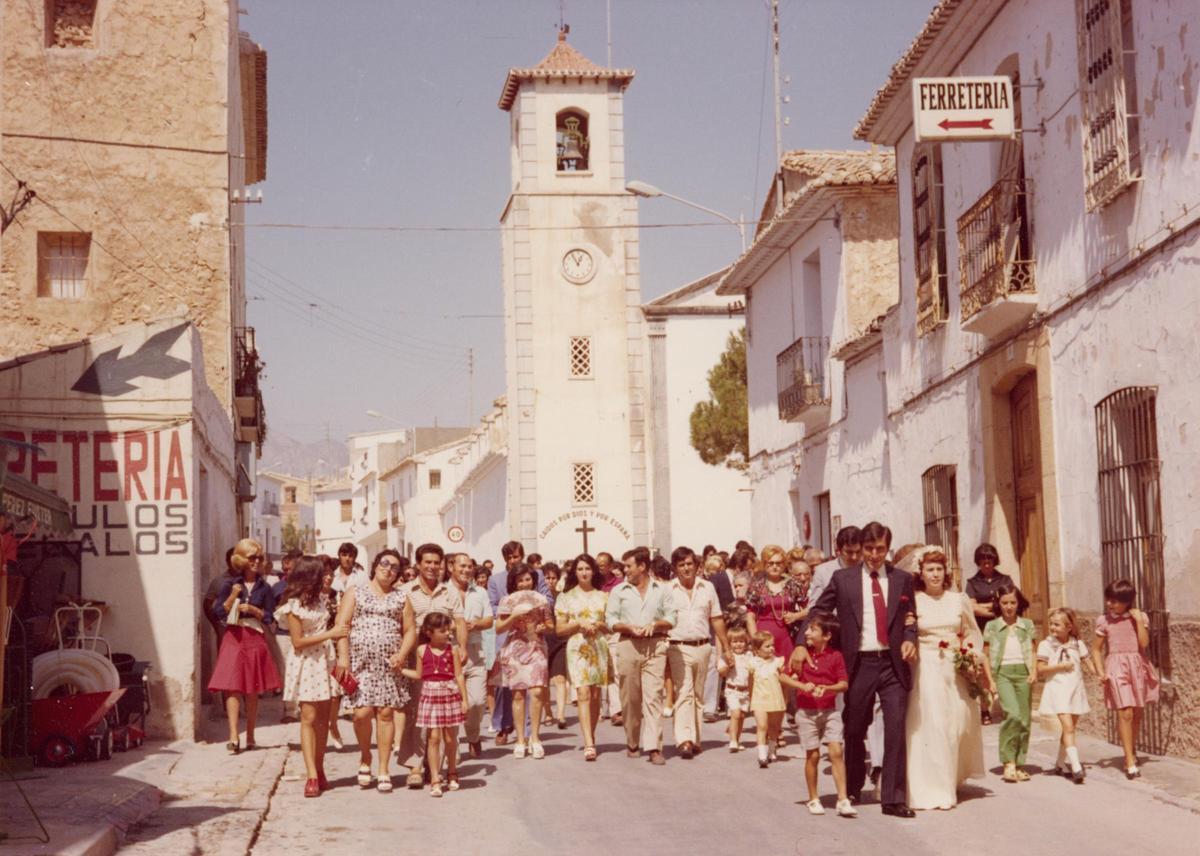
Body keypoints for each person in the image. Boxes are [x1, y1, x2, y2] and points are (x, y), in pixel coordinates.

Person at [795, 521, 918, 818]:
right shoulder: (843, 578)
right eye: (869, 549)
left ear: (888, 548)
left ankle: (893, 797)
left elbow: (911, 616)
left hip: (892, 664)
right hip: (860, 663)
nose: (875, 555)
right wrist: (802, 642)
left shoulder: (902, 579)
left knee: (895, 727)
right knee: (854, 727)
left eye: (880, 549)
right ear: (861, 549)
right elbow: (818, 611)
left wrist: (910, 640)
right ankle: (850, 786)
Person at [904, 549, 991, 811]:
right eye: (930, 569)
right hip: (926, 668)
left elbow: (970, 632)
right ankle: (935, 787)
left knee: (957, 724)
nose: (935, 574)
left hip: (954, 669)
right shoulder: (915, 601)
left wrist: (969, 655)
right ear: (921, 573)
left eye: (939, 569)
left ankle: (951, 776)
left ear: (946, 572)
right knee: (933, 725)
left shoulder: (959, 599)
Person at [334, 550, 410, 793]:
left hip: (389, 665)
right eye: (384, 563)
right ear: (375, 565)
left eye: (395, 567)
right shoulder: (356, 592)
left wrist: (402, 654)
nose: (389, 569)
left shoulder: (402, 597)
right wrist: (344, 658)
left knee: (386, 714)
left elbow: (409, 630)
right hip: (360, 663)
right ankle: (365, 756)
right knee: (362, 714)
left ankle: (384, 768)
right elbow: (342, 627)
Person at [276, 556, 348, 797]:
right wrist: (331, 634)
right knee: (308, 717)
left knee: (323, 720)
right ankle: (311, 775)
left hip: (325, 662)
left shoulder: (322, 601)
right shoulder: (293, 605)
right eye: (322, 574)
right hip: (307, 663)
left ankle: (319, 767)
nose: (327, 577)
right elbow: (297, 642)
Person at [397, 543, 467, 788]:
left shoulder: (450, 593)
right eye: (427, 562)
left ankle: (446, 766)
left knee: (447, 717)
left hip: (446, 661)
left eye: (436, 562)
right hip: (418, 659)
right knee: (417, 714)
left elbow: (460, 622)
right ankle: (416, 765)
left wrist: (464, 647)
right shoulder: (405, 591)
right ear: (418, 564)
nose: (432, 567)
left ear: (442, 565)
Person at [605, 546, 677, 765]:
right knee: (630, 698)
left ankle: (654, 746)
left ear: (642, 566)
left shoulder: (662, 590)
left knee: (654, 697)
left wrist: (655, 625)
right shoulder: (619, 591)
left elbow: (671, 618)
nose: (625, 570)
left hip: (655, 646)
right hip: (628, 646)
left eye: (629, 566)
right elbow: (610, 620)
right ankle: (632, 739)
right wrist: (627, 627)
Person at [209, 539, 280, 754]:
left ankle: (250, 735)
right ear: (242, 560)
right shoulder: (229, 584)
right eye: (252, 558)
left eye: (259, 558)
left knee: (252, 689)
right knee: (233, 686)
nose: (256, 562)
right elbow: (218, 613)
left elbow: (270, 616)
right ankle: (233, 736)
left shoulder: (265, 587)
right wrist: (233, 596)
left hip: (254, 635)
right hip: (233, 636)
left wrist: (256, 611)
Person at [1091, 579, 1160, 779]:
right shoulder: (1104, 621)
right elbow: (1096, 649)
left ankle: (1131, 750)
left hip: (1137, 666)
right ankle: (1129, 760)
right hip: (1115, 667)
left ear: (1127, 601)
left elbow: (1144, 643)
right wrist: (1100, 671)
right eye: (1108, 600)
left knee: (1137, 714)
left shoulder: (1140, 618)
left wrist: (1138, 621)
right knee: (1126, 713)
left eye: (1115, 601)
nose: (1110, 604)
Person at [665, 546, 729, 759]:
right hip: (677, 647)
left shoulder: (708, 588)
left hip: (703, 647)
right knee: (684, 692)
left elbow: (717, 618)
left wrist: (726, 648)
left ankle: (696, 738)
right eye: (681, 565)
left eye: (690, 564)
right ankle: (684, 740)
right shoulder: (668, 589)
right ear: (675, 568)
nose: (686, 568)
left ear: (697, 565)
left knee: (699, 695)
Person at [487, 541, 551, 745]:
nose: (513, 560)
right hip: (512, 641)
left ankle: (533, 734)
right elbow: (495, 615)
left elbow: (549, 610)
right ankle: (508, 729)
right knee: (510, 690)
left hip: (535, 641)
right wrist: (514, 613)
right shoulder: (499, 586)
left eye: (516, 556)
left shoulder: (538, 586)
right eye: (509, 557)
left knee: (536, 688)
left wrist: (538, 618)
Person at [792, 611, 854, 817]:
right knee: (813, 755)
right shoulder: (802, 655)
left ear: (827, 635)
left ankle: (843, 799)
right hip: (806, 712)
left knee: (836, 751)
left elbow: (844, 683)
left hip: (829, 711)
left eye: (812, 629)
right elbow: (783, 676)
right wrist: (803, 685)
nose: (807, 633)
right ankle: (813, 798)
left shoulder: (835, 657)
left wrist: (828, 689)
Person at [401, 613, 468, 797]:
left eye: (448, 629)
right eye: (443, 630)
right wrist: (401, 670)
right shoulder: (422, 650)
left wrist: (464, 700)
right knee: (433, 738)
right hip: (430, 695)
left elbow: (459, 675)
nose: (447, 633)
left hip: (449, 694)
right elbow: (419, 675)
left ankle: (452, 771)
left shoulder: (452, 650)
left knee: (450, 738)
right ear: (429, 632)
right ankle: (435, 778)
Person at [554, 554, 610, 761]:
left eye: (587, 568)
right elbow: (559, 628)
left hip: (598, 646)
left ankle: (591, 734)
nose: (584, 573)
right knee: (583, 692)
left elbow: (610, 626)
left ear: (593, 571)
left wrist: (598, 625)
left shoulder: (603, 596)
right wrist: (578, 624)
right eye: (580, 569)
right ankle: (588, 742)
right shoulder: (565, 597)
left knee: (595, 694)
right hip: (577, 647)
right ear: (574, 572)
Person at [982, 581, 1037, 783]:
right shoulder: (992, 626)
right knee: (1012, 714)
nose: (1009, 607)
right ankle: (1008, 762)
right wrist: (990, 680)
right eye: (1005, 602)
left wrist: (1034, 671)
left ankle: (1019, 763)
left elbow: (1032, 650)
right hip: (1003, 673)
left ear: (1018, 603)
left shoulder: (1027, 625)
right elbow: (985, 655)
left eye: (1012, 602)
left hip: (1023, 673)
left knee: (1024, 719)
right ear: (999, 603)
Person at [1037, 606, 1094, 784]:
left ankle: (1060, 764)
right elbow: (1040, 669)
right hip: (1058, 690)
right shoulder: (1046, 645)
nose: (1053, 628)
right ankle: (1076, 767)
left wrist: (1098, 674)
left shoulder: (1077, 644)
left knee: (1069, 729)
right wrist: (1060, 667)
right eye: (1051, 624)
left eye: (1057, 625)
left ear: (1069, 627)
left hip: (1075, 689)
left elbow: (1087, 661)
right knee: (1068, 728)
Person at [447, 552, 492, 759]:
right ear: (451, 567)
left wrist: (475, 624)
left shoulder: (480, 592)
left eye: (469, 567)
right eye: (461, 566)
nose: (466, 570)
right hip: (450, 650)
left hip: (475, 651)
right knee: (452, 701)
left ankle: (473, 736)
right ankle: (452, 744)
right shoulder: (442, 591)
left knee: (477, 701)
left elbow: (489, 620)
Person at [964, 543, 1013, 725]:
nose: (986, 563)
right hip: (982, 631)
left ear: (995, 560)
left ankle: (1008, 707)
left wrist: (982, 606)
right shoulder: (972, 583)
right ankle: (985, 710)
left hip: (1003, 629)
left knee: (1005, 667)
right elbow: (970, 607)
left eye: (990, 559)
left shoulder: (1005, 580)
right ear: (978, 561)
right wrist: (994, 607)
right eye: (983, 559)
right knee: (984, 672)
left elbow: (1010, 601)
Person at [748, 632, 793, 768]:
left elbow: (785, 681)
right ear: (757, 649)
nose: (771, 648)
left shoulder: (778, 662)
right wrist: (751, 697)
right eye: (767, 646)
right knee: (762, 726)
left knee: (774, 727)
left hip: (775, 698)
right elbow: (750, 682)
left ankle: (771, 751)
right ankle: (762, 755)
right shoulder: (753, 663)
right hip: (759, 699)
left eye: (772, 645)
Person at [271, 549, 303, 723]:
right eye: (286, 569)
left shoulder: (308, 586)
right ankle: (290, 710)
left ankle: (303, 707)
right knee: (286, 671)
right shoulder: (277, 588)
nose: (288, 572)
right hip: (283, 635)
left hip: (304, 635)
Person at [542, 563, 570, 729]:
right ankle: (547, 712)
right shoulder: (539, 598)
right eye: (547, 578)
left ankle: (560, 714)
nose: (550, 581)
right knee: (544, 681)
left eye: (553, 578)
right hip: (543, 642)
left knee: (560, 678)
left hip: (560, 641)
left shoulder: (562, 596)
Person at [808, 526, 863, 605]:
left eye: (858, 552)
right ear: (839, 550)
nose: (854, 557)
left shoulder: (868, 569)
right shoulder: (823, 572)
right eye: (849, 552)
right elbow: (815, 606)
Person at [718, 627, 752, 750]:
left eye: (741, 641)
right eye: (735, 641)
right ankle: (732, 741)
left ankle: (737, 740)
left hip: (745, 691)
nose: (738, 644)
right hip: (732, 690)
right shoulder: (727, 656)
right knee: (736, 713)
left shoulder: (749, 655)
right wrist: (728, 667)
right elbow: (721, 672)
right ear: (729, 643)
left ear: (746, 642)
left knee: (742, 716)